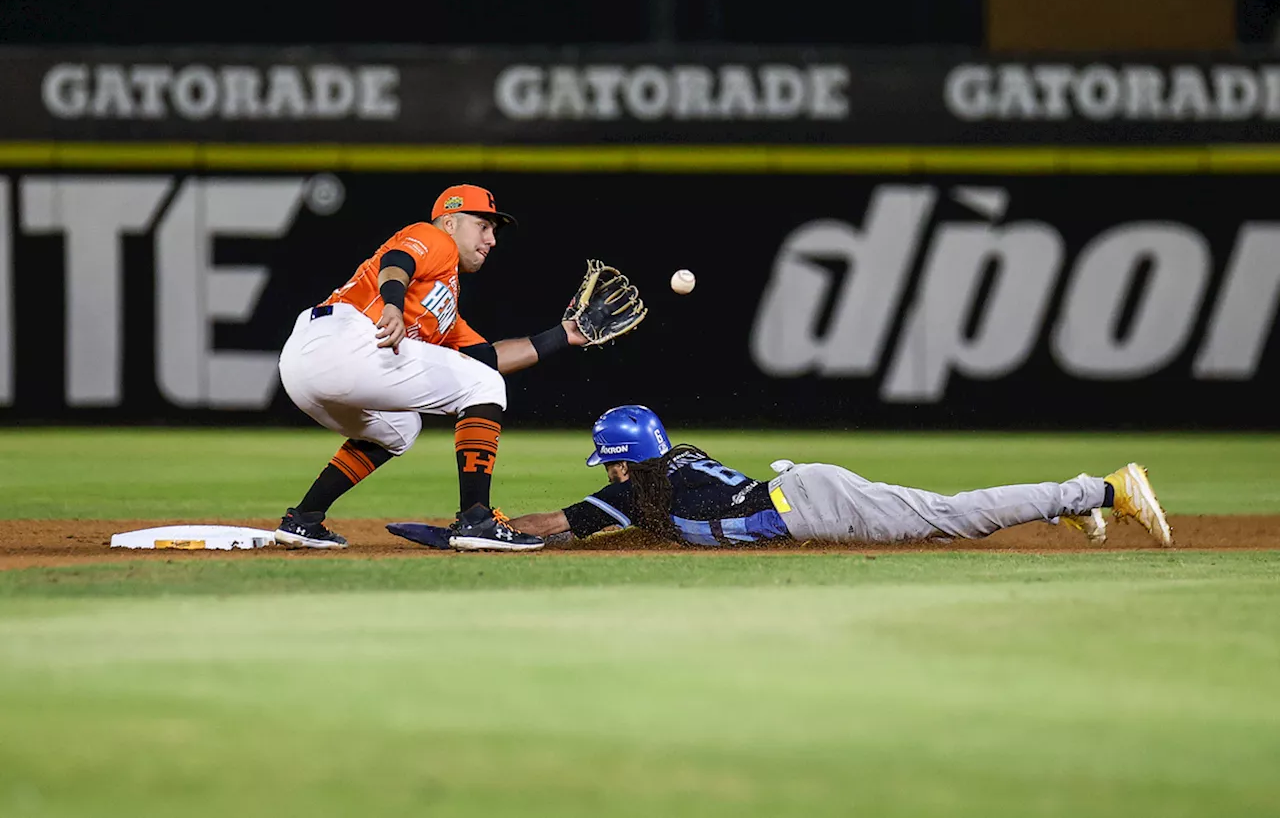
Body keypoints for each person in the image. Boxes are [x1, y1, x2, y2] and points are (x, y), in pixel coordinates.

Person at [275, 184, 591, 551]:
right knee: (482, 385)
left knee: (400, 427)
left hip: (304, 368)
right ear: (451, 222)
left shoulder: (444, 308)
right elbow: (397, 260)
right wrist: (392, 304)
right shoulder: (436, 238)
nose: (491, 240)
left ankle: (304, 519)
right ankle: (476, 520)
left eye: (494, 231)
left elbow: (486, 359)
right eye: (483, 226)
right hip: (346, 337)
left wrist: (565, 335)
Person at [506, 405, 1174, 548]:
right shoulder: (673, 462)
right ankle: (1071, 502)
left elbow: (554, 526)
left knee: (957, 518)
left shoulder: (638, 488)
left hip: (809, 501)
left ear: (630, 458)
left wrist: (492, 528)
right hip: (801, 494)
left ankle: (1105, 488)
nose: (611, 470)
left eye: (612, 458)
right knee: (944, 527)